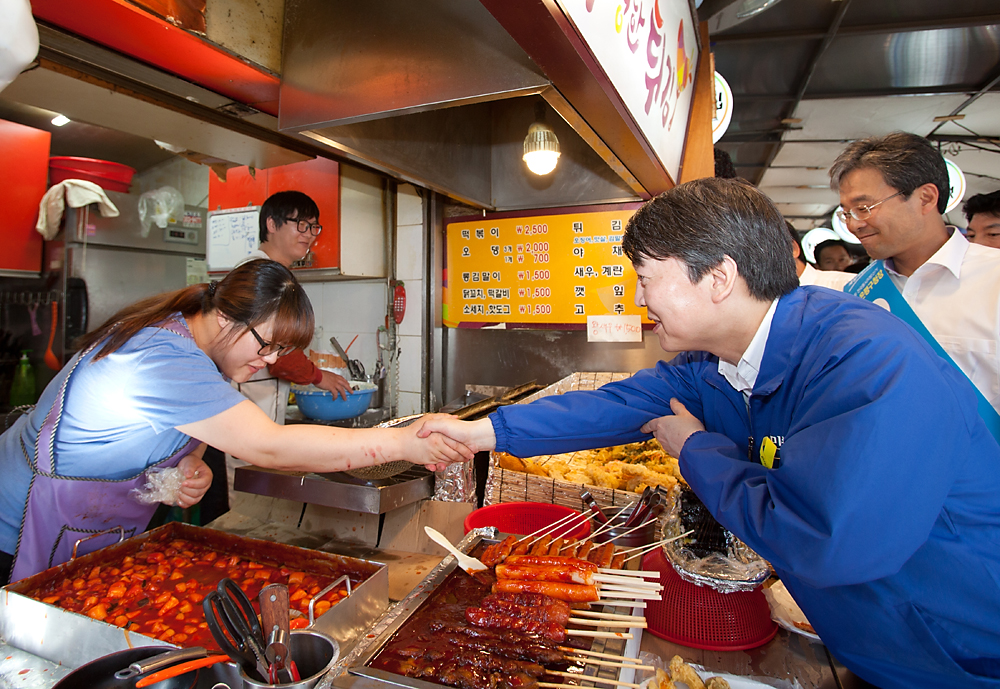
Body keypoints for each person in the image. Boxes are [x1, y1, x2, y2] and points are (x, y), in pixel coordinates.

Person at [421, 178, 1000, 689]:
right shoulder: (717, 360)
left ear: (719, 277)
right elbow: (614, 404)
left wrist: (695, 450)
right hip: (878, 647)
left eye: (646, 278)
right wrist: (478, 433)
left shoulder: (862, 361)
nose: (638, 298)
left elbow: (826, 541)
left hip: (958, 658)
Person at [0, 259, 470, 584]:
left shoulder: (197, 346)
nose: (270, 361)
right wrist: (402, 442)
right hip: (18, 527)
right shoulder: (163, 357)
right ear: (225, 317)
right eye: (267, 345)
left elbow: (193, 426)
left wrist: (189, 463)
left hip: (85, 531)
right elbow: (267, 445)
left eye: (281, 351)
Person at [202, 191, 354, 522]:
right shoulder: (257, 274)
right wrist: (317, 376)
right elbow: (278, 353)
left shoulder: (274, 275)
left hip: (251, 425)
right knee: (236, 516)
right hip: (235, 426)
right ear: (271, 224)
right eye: (301, 224)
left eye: (314, 227)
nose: (309, 235)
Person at [830, 132, 1000, 424]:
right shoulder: (857, 293)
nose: (854, 225)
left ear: (926, 198)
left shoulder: (993, 277)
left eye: (864, 208)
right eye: (846, 213)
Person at [785, 222, 853, 290]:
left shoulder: (847, 285)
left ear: (793, 249)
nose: (838, 266)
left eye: (842, 259)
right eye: (829, 262)